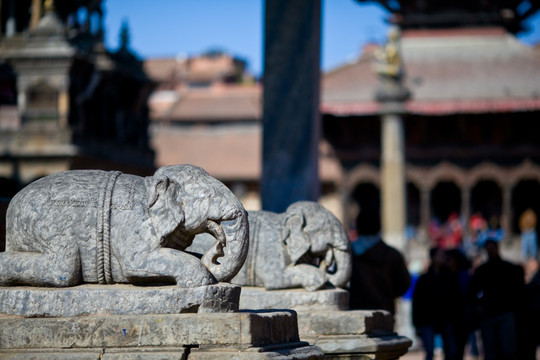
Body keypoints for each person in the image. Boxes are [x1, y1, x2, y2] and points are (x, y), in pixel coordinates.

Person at [468, 239, 525, 360]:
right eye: (488, 248)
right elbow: (473, 293)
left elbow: (518, 291)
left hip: (505, 313)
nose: (491, 251)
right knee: (490, 350)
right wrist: (479, 307)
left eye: (492, 248)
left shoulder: (509, 268)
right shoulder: (482, 271)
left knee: (508, 349)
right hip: (489, 315)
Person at [348, 211, 411, 318]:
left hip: (355, 312)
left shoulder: (348, 254)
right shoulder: (392, 255)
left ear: (357, 228)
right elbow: (404, 284)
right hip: (384, 311)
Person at [412, 247, 460, 360]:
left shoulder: (449, 277)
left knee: (450, 352)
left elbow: (456, 299)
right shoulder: (424, 279)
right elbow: (417, 302)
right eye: (440, 255)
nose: (443, 257)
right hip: (428, 320)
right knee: (429, 352)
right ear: (433, 258)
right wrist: (417, 323)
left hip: (446, 319)